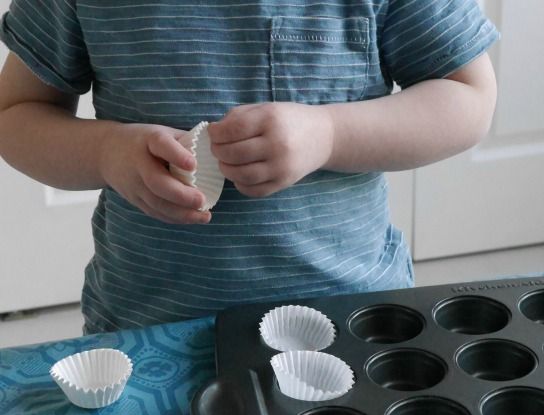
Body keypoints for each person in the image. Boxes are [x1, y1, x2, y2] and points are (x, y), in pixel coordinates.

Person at [0, 1, 499, 334]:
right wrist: (105, 152)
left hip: (349, 317)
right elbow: (15, 115)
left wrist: (330, 134)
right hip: (149, 322)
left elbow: (469, 97)